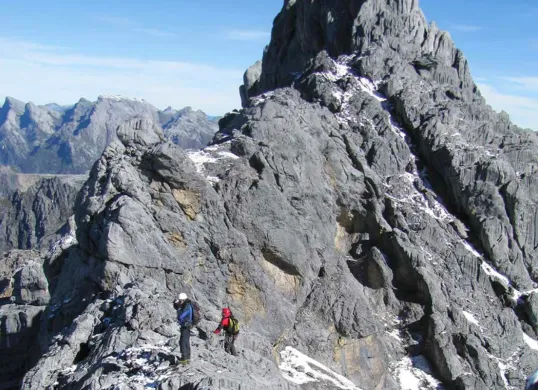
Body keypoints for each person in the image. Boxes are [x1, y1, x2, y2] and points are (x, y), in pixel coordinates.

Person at [175, 293, 193, 364]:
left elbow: (181, 316)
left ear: (183, 300)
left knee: (183, 342)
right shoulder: (187, 305)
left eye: (180, 300)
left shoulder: (187, 306)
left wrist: (179, 309)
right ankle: (187, 358)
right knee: (185, 341)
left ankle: (184, 359)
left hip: (185, 326)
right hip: (186, 326)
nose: (180, 302)